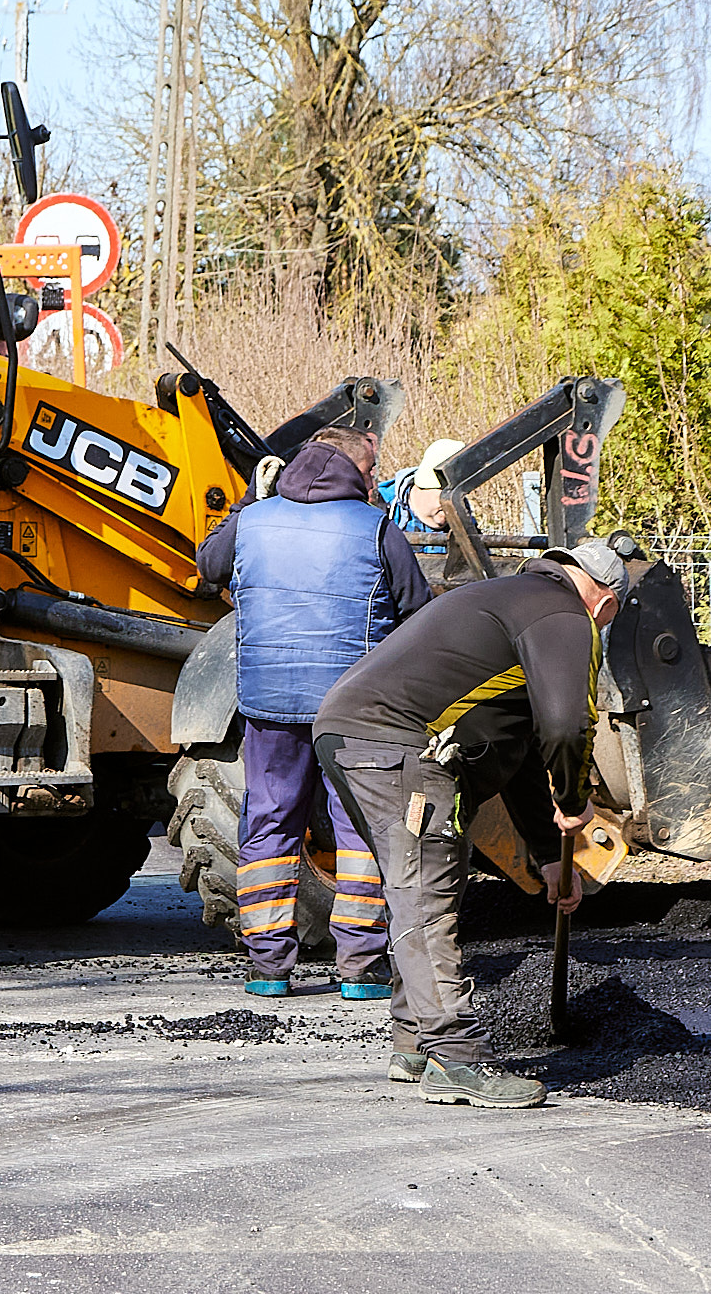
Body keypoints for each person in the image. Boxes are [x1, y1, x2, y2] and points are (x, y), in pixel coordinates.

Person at [308, 537, 628, 1110]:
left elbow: (524, 752)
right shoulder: (564, 615)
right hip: (399, 742)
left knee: (414, 883)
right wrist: (575, 797)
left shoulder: (510, 598)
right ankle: (455, 1057)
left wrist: (550, 857)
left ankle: (414, 1042)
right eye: (607, 619)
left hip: (350, 732)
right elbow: (566, 726)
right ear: (604, 603)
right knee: (426, 891)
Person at [196, 426, 425, 1000]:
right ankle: (360, 968)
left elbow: (208, 567)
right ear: (354, 470)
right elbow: (418, 614)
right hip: (354, 711)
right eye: (371, 470)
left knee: (269, 823)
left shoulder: (253, 520)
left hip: (269, 706)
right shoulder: (377, 529)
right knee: (361, 828)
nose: (374, 481)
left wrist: (248, 499)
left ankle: (268, 967)